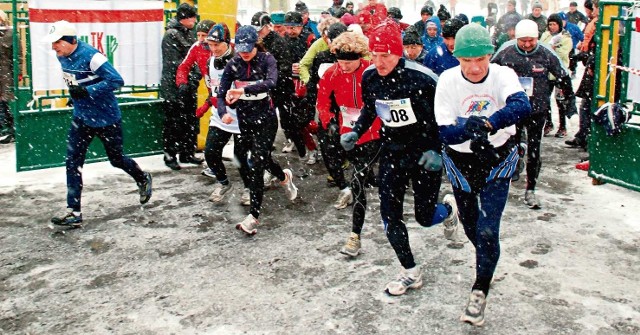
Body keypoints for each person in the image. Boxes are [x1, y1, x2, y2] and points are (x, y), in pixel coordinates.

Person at [340, 20, 459, 296]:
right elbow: (372, 108)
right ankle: (410, 271)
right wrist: (357, 131)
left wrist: (437, 149)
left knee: (425, 216)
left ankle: (449, 211)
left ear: (399, 53)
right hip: (393, 151)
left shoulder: (424, 78)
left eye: (386, 56)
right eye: (375, 55)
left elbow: (444, 118)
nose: (379, 62)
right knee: (389, 216)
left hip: (423, 155)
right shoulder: (370, 76)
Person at [434, 23, 532, 326]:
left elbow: (521, 105)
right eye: (467, 61)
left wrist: (489, 123)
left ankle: (480, 288)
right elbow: (446, 132)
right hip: (461, 162)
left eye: (481, 60)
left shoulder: (503, 74)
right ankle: (487, 261)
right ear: (456, 56)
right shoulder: (448, 80)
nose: (475, 68)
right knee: (472, 226)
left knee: (489, 228)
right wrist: (469, 128)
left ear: (490, 55)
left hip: (497, 159)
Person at [42, 21, 152, 226]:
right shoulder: (62, 56)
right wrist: (75, 96)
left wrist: (88, 92)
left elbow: (117, 81)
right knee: (72, 162)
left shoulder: (92, 56)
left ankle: (142, 177)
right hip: (81, 117)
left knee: (116, 159)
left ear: (70, 40)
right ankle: (73, 212)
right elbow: (75, 80)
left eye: (57, 42)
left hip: (106, 118)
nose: (54, 47)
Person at [217, 26, 298, 235]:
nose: (244, 53)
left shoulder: (267, 59)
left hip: (267, 119)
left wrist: (243, 90)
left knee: (257, 163)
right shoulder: (233, 64)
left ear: (255, 45)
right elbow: (221, 92)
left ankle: (253, 216)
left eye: (248, 49)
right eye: (240, 49)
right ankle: (283, 177)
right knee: (253, 158)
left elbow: (271, 83)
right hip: (245, 119)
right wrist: (223, 110)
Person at [492, 19, 576, 209]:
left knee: (535, 148)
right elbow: (489, 71)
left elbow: (563, 76)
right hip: (513, 108)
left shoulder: (546, 53)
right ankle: (510, 171)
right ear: (516, 39)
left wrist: (569, 102)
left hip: (537, 109)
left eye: (531, 41)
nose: (528, 45)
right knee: (508, 144)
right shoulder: (506, 51)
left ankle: (531, 188)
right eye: (523, 41)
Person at [317, 31, 381, 256]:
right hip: (347, 134)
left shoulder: (371, 71)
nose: (343, 66)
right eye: (340, 61)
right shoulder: (332, 73)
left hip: (373, 134)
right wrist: (329, 121)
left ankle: (355, 236)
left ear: (359, 58)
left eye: (348, 63)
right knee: (348, 171)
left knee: (358, 181)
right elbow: (322, 102)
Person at [193, 24, 251, 206]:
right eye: (210, 45)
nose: (214, 49)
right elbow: (213, 88)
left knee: (240, 156)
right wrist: (212, 103)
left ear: (227, 43)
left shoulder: (240, 60)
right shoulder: (211, 61)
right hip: (220, 115)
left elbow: (249, 88)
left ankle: (249, 187)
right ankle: (223, 182)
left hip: (241, 116)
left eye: (217, 45)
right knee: (210, 152)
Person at [160, 3, 203, 171]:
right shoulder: (171, 35)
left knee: (189, 120)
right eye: (192, 17)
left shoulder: (190, 33)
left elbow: (198, 58)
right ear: (184, 18)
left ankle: (187, 152)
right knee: (173, 123)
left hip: (189, 86)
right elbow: (174, 64)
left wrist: (193, 78)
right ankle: (170, 155)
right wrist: (186, 78)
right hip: (174, 87)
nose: (194, 20)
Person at [566, 0, 599, 150]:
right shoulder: (596, 22)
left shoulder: (601, 24)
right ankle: (584, 135)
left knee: (590, 105)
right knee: (587, 104)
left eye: (595, 8)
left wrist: (588, 59)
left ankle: (588, 138)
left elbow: (597, 48)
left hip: (597, 71)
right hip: (593, 67)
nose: (594, 10)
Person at [540, 13, 574, 137]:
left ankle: (563, 126)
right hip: (547, 73)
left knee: (561, 101)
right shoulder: (545, 35)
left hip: (560, 73)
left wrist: (553, 49)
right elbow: (541, 48)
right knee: (544, 99)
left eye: (554, 24)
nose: (552, 27)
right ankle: (548, 123)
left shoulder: (565, 37)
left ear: (559, 25)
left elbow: (564, 53)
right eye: (550, 24)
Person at [0, 10, 15, 144]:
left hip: (5, 73)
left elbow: (18, 55)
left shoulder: (10, 33)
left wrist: (18, 72)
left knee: (4, 102)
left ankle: (8, 130)